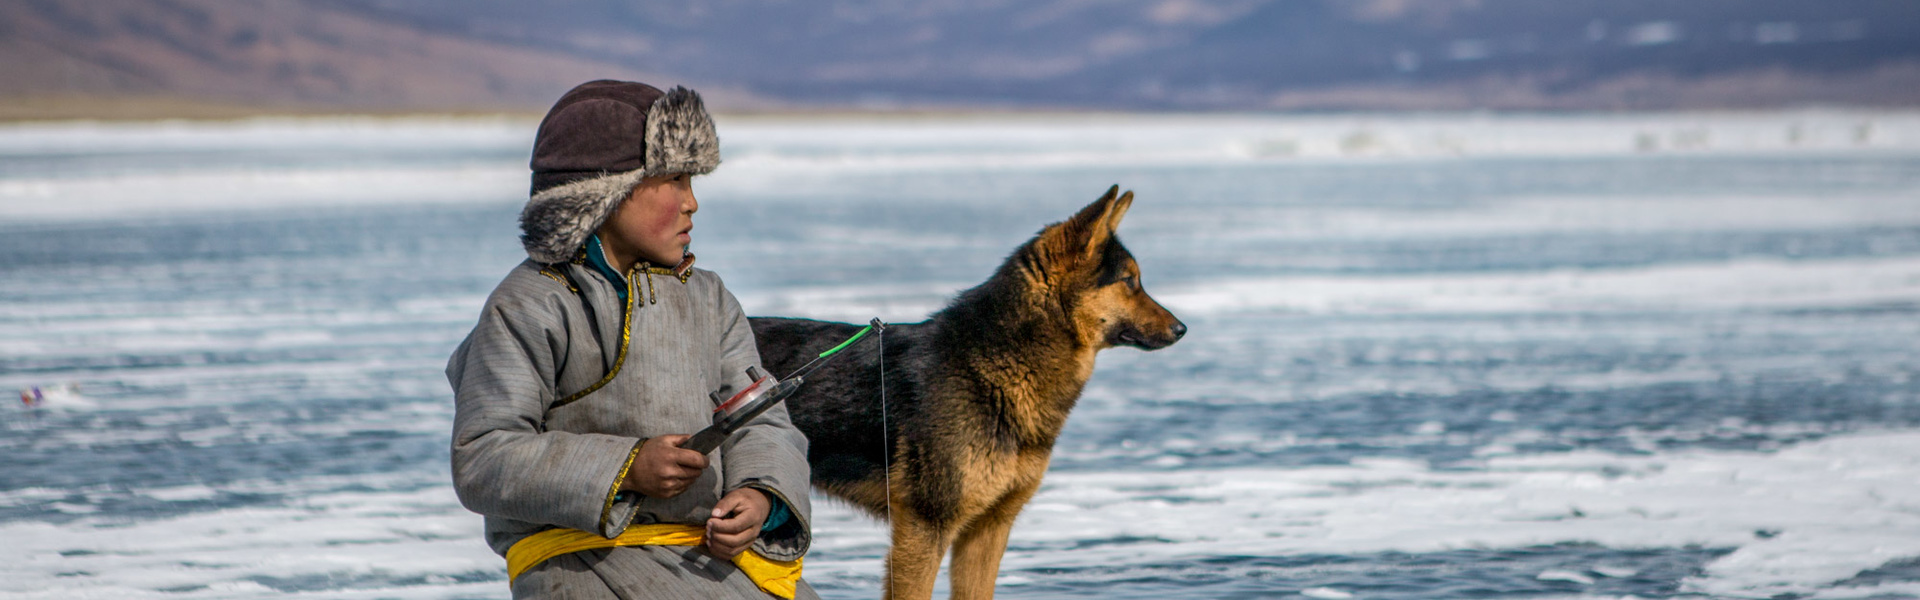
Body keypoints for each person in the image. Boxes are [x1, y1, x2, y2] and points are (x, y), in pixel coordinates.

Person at [447, 80, 816, 599]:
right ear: (608, 191)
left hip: (708, 562)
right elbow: (483, 456)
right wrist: (628, 468)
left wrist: (759, 496)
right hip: (580, 566)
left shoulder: (709, 299)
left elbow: (763, 423)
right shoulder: (531, 303)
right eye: (675, 179)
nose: (692, 203)